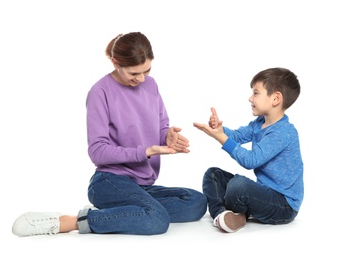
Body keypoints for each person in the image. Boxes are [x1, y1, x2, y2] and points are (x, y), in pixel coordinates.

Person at [12, 32, 207, 237]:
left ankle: (125, 213)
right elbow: (97, 151)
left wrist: (166, 136)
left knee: (196, 203)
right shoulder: (100, 92)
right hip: (110, 181)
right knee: (157, 219)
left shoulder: (151, 85)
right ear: (115, 63)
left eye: (146, 71)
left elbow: (160, 126)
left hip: (142, 185)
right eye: (133, 74)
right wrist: (146, 151)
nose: (141, 79)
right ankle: (70, 222)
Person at [193, 67, 303, 233]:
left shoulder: (283, 132)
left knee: (238, 186)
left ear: (275, 98)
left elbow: (250, 160)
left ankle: (236, 212)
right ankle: (222, 216)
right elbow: (237, 136)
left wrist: (221, 138)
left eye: (256, 93)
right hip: (263, 194)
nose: (250, 98)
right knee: (213, 174)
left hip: (283, 205)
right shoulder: (260, 123)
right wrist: (220, 130)